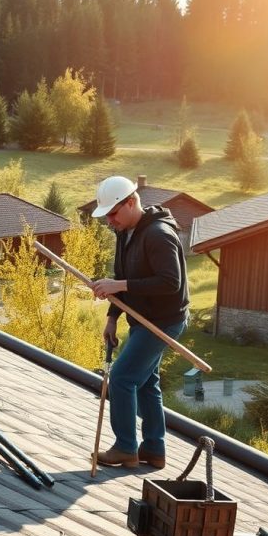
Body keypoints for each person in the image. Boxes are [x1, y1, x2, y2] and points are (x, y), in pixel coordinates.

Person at [88, 175, 189, 469]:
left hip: (163, 322)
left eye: (113, 213)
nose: (110, 221)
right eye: (107, 216)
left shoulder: (158, 234)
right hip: (142, 318)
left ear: (131, 202)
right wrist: (112, 317)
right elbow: (121, 277)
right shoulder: (126, 232)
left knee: (121, 378)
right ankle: (154, 450)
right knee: (146, 384)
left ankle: (126, 448)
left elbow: (170, 282)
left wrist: (119, 287)